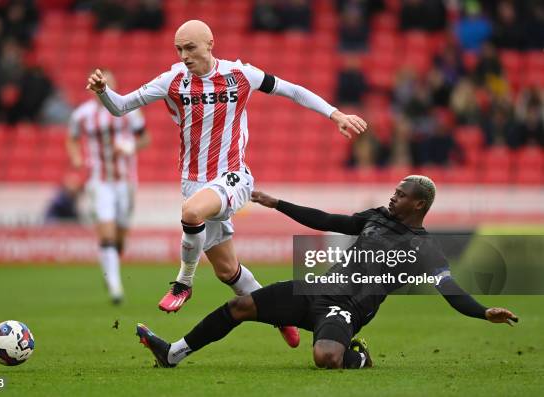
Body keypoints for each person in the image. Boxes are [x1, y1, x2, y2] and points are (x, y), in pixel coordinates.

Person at [86, 19, 367, 347]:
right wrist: (104, 92)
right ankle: (281, 317)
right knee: (227, 271)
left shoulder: (239, 74)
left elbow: (292, 90)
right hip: (194, 182)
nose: (184, 55)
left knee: (191, 214)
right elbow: (121, 108)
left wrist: (336, 114)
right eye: (179, 49)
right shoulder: (172, 79)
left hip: (234, 177)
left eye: (190, 48)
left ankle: (183, 282)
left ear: (209, 43)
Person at [136, 175, 518, 369]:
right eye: (395, 191)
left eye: (401, 194)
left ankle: (360, 358)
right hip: (317, 289)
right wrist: (277, 203)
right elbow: (328, 219)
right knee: (242, 306)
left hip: (347, 309)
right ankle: (174, 353)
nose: (392, 196)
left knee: (327, 359)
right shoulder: (376, 218)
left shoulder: (426, 249)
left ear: (418, 203)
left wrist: (483, 312)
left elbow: (450, 290)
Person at [68, 71, 151, 304]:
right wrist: (76, 157)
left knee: (121, 236)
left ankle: (111, 270)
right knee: (106, 232)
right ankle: (115, 287)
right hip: (99, 181)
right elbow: (72, 137)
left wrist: (128, 147)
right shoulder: (82, 115)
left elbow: (145, 139)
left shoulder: (130, 111)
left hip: (125, 181)